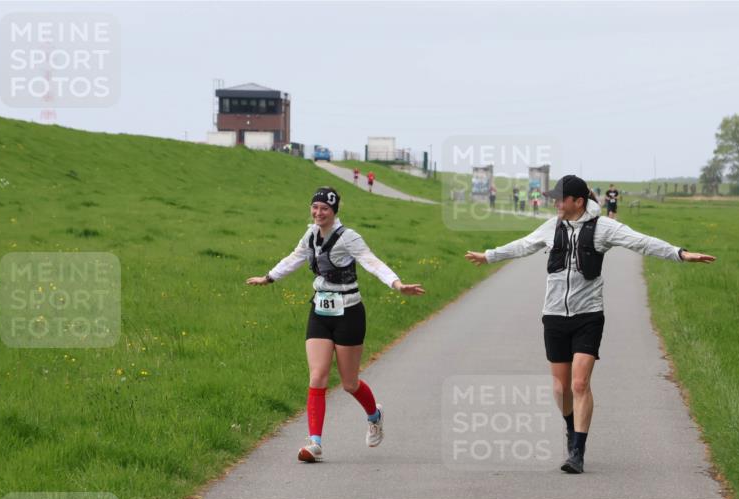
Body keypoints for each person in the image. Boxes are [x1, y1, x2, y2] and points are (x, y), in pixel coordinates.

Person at [464, 175, 715, 474]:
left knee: (579, 383)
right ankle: (571, 429)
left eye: (560, 198)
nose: (555, 203)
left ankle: (577, 453)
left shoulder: (603, 228)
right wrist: (489, 256)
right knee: (560, 388)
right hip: (555, 315)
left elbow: (641, 242)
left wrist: (680, 253)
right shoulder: (552, 226)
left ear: (578, 201)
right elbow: (523, 245)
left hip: (588, 316)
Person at [246, 186, 425, 463]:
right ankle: (314, 443)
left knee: (349, 383)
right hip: (320, 310)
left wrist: (397, 284)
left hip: (349, 313)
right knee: (317, 375)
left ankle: (374, 416)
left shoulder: (348, 238)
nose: (319, 213)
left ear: (334, 212)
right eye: (315, 207)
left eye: (325, 209)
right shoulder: (311, 235)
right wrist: (269, 277)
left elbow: (371, 262)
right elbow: (295, 257)